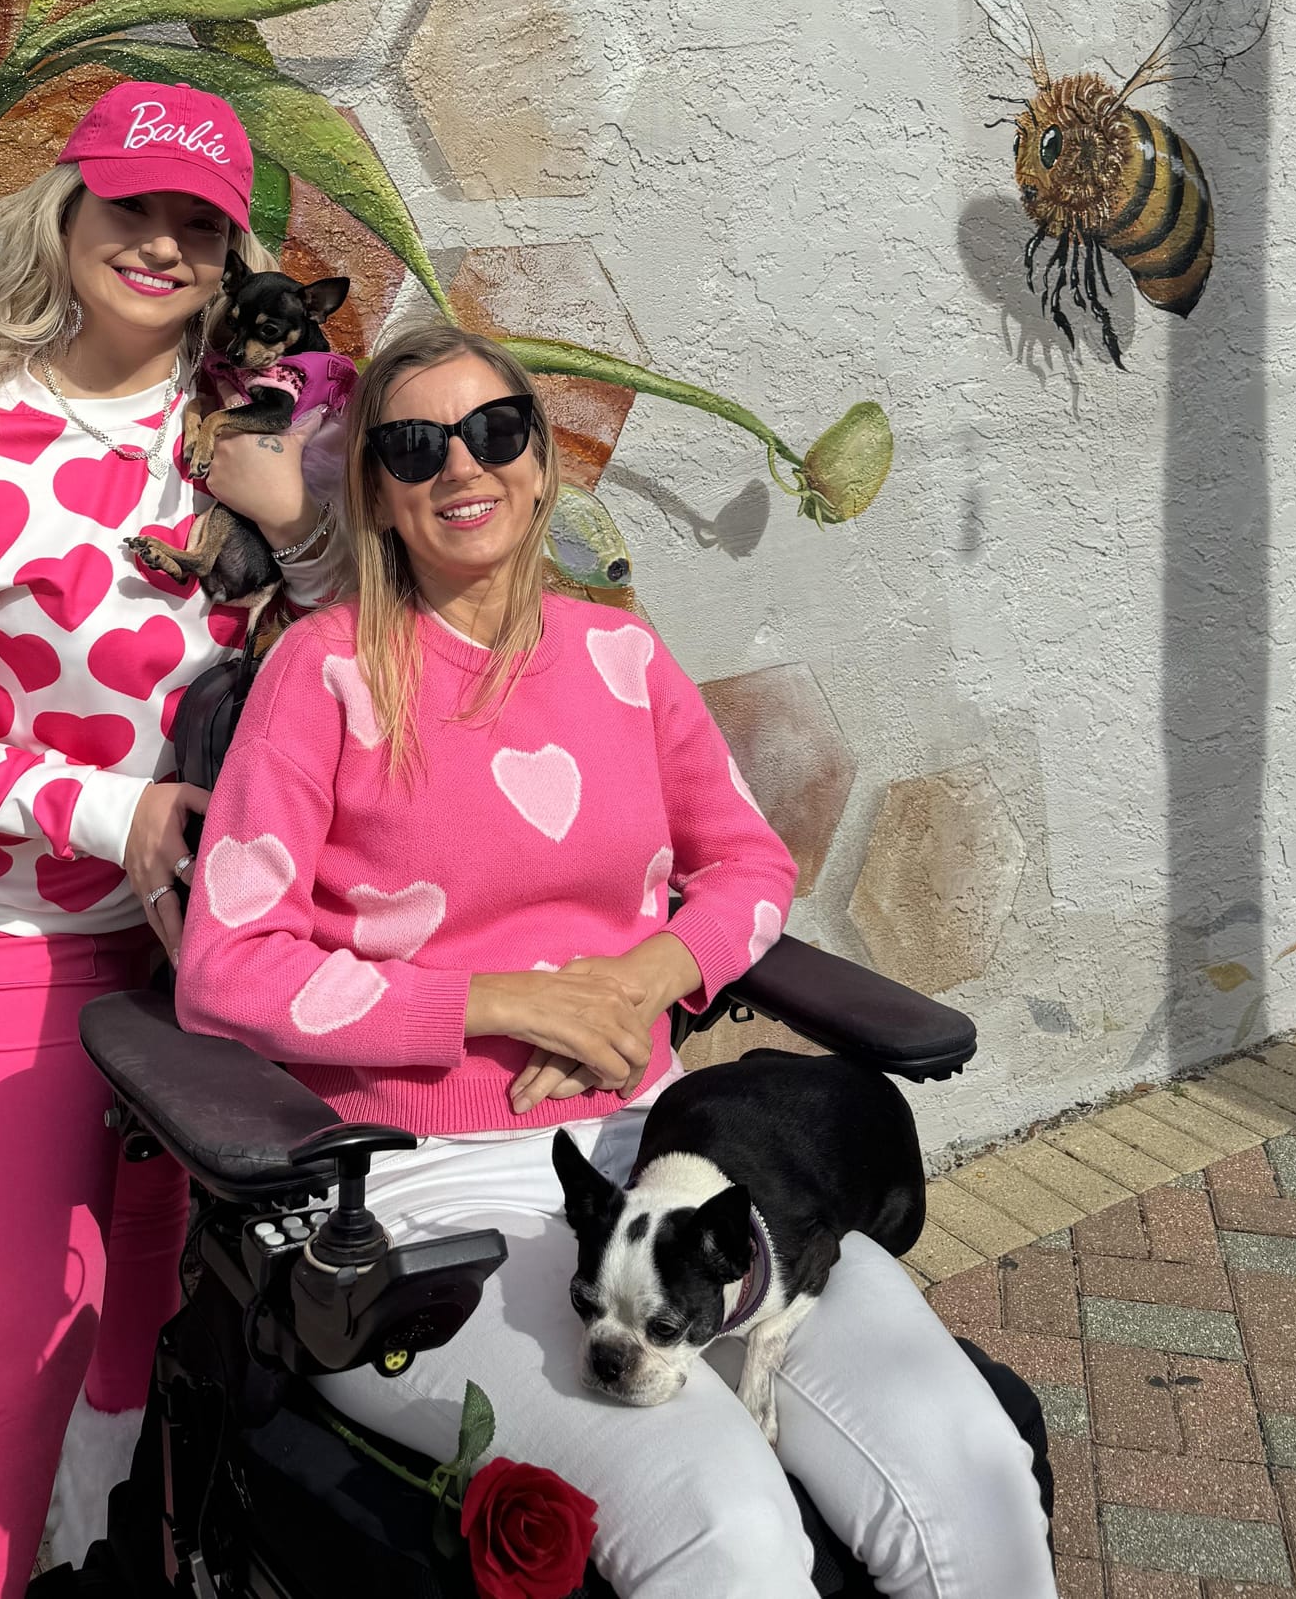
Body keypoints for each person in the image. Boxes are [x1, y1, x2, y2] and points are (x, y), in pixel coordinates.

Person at [175, 320, 1059, 1599]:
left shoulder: (620, 659)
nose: (459, 467)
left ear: (537, 464)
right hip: (426, 1193)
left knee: (968, 1465)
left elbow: (748, 868)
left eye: (494, 431)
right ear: (374, 489)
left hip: (663, 1165)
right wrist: (497, 999)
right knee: (728, 1524)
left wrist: (646, 978)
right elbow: (226, 965)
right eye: (413, 446)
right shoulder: (321, 675)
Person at [0, 81, 347, 1599]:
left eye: (201, 221)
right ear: (68, 211)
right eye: (136, 206)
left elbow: (354, 649)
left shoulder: (265, 422)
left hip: (216, 941)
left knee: (150, 1261)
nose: (166, 245)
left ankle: (103, 1540)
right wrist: (113, 810)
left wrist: (302, 525)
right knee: (23, 1324)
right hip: (33, 937)